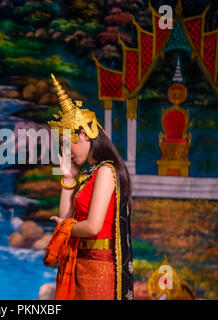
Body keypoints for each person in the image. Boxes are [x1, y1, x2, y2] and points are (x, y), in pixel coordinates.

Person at [43, 74, 134, 300]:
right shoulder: (88, 174)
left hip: (99, 270)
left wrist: (64, 229)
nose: (67, 151)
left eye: (68, 143)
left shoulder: (105, 170)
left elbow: (92, 227)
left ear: (83, 134)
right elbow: (67, 217)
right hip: (81, 265)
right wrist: (69, 178)